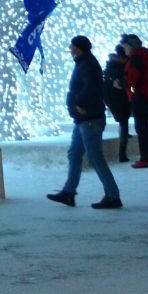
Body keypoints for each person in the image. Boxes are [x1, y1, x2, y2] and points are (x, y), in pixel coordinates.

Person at [47, 36, 122, 209]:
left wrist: (79, 103)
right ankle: (69, 192)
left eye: (72, 46)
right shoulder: (83, 62)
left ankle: (113, 195)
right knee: (74, 154)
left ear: (79, 48)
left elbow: (91, 88)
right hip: (82, 119)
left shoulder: (88, 64)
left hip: (90, 119)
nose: (70, 49)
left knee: (96, 158)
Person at [122, 32, 148, 168]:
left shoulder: (136, 59)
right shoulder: (141, 56)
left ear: (131, 46)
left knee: (142, 128)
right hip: (142, 95)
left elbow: (132, 80)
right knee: (144, 128)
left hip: (140, 96)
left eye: (125, 46)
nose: (124, 49)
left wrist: (123, 84)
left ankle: (147, 158)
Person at [103, 40, 133, 163]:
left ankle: (124, 143)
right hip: (118, 96)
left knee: (122, 121)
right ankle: (122, 154)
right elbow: (122, 83)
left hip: (108, 95)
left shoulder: (110, 63)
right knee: (123, 122)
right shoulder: (123, 66)